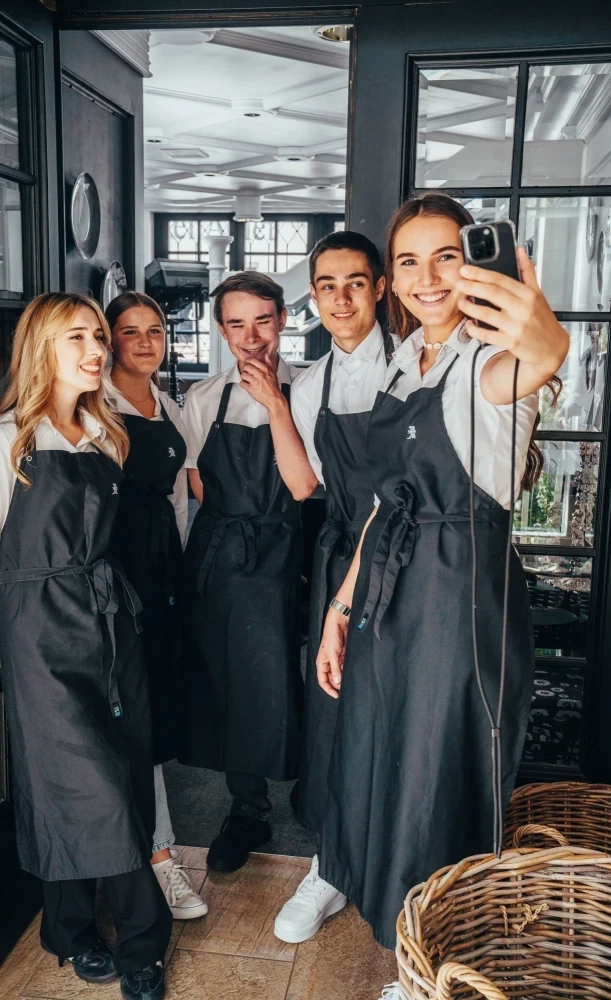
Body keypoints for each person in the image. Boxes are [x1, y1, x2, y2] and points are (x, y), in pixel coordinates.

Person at [316, 193, 569, 953]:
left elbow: (539, 360)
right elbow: (380, 506)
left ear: (472, 269)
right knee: (378, 755)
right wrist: (340, 608)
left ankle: (433, 947)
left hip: (458, 597)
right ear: (391, 279)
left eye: (447, 258)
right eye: (409, 261)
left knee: (437, 771)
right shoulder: (403, 363)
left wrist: (546, 334)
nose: (427, 278)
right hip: (389, 593)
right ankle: (382, 909)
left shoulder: (487, 362)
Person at [0, 292, 172, 1000]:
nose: (96, 350)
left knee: (120, 773)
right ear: (42, 348)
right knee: (85, 784)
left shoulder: (105, 432)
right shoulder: (3, 440)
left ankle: (70, 929)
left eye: (98, 336)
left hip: (109, 623)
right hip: (38, 634)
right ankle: (140, 941)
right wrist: (6, 651)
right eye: (77, 337)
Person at [180, 271, 318, 873]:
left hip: (290, 549)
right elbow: (197, 482)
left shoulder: (309, 387)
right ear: (221, 330)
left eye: (263, 320)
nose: (252, 336)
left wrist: (274, 404)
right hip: (225, 557)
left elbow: (306, 484)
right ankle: (247, 809)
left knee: (300, 677)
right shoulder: (203, 397)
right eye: (237, 323)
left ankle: (319, 795)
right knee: (235, 681)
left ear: (283, 319)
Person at [274, 231, 388, 944]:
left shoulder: (414, 365)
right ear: (313, 297)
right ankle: (331, 864)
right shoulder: (310, 383)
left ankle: (391, 862)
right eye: (326, 286)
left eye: (354, 283)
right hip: (340, 553)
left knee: (391, 708)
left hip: (406, 556)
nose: (340, 299)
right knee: (333, 707)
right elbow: (305, 485)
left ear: (379, 287)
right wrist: (273, 402)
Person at [104, 291, 208, 921]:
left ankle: (148, 853)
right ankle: (156, 859)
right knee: (127, 718)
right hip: (115, 574)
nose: (145, 342)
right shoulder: (95, 408)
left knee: (152, 712)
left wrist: (180, 572)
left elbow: (177, 501)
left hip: (161, 569)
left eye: (155, 331)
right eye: (130, 331)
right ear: (109, 339)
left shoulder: (170, 406)